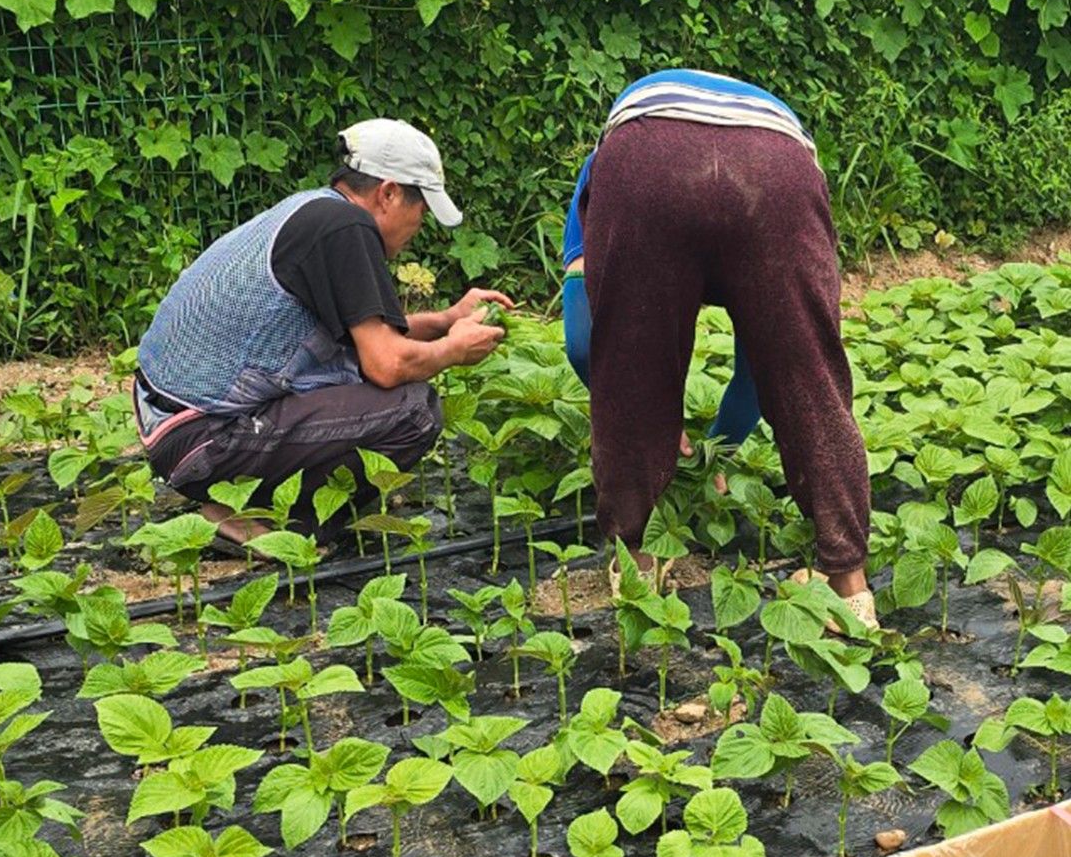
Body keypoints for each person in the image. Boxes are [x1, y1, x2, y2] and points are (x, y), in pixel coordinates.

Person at [561, 70, 878, 628]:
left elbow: (591, 343)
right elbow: (773, 369)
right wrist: (721, 449)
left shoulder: (605, 163)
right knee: (811, 375)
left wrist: (657, 427)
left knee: (629, 364)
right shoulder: (789, 149)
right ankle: (849, 584)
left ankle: (635, 563)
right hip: (775, 164)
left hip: (648, 158)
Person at [133, 118, 510, 546]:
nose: (418, 227)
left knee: (367, 383)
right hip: (204, 439)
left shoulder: (317, 211)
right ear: (388, 193)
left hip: (173, 426)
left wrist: (445, 320)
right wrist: (453, 350)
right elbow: (387, 364)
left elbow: (371, 335)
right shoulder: (346, 229)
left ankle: (242, 501)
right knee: (414, 411)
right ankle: (273, 527)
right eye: (420, 211)